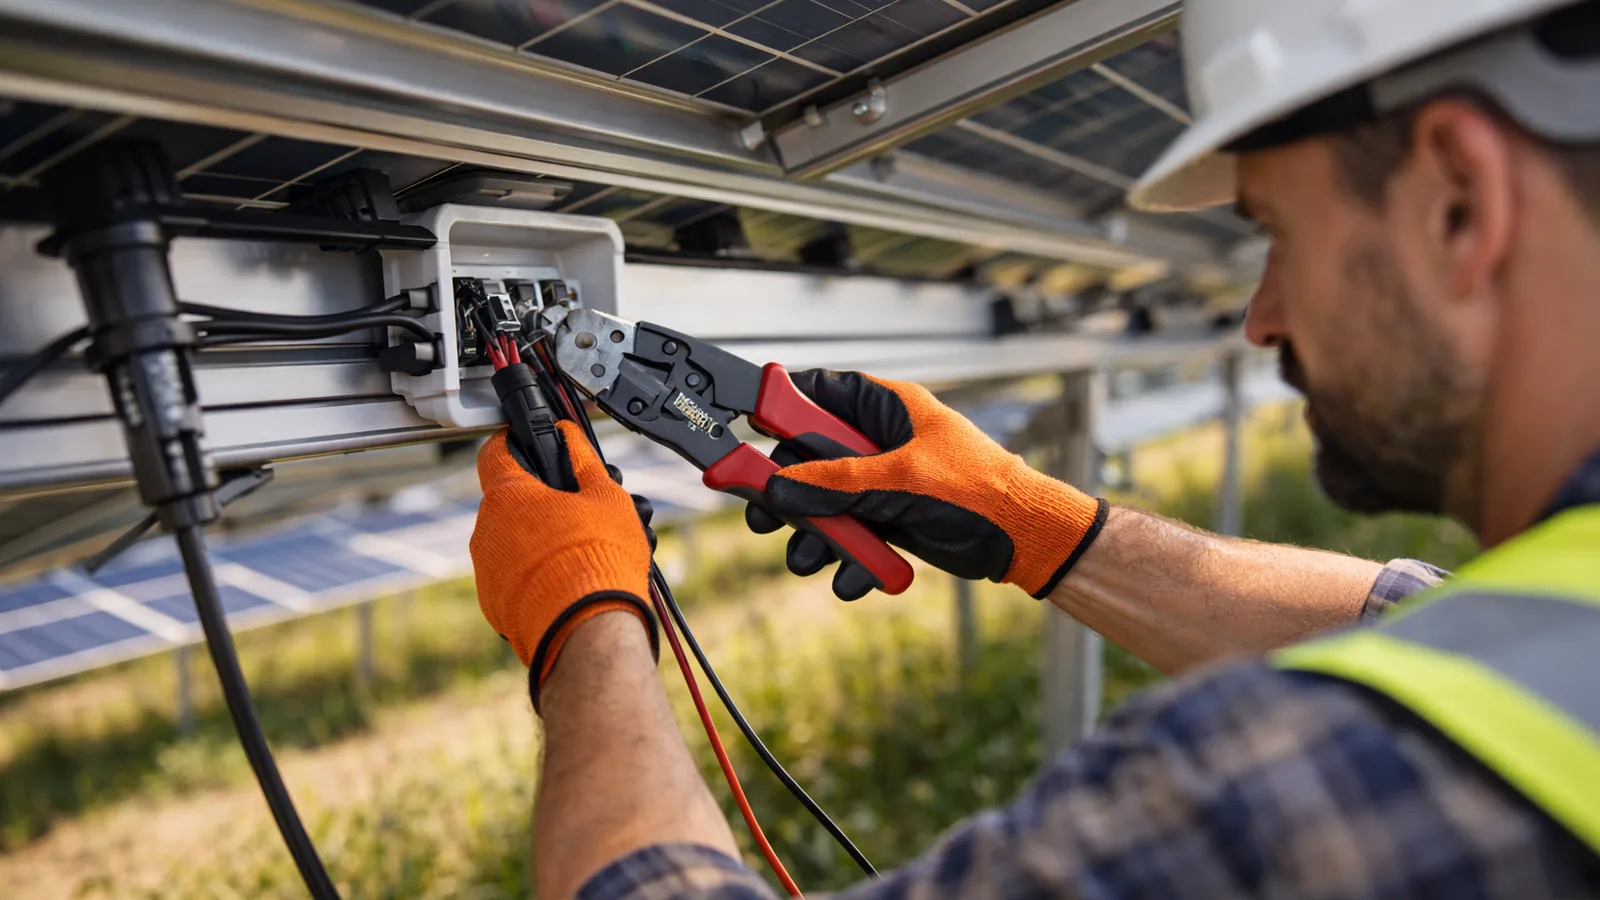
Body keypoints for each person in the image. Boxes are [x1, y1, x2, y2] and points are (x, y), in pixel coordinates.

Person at [468, 0, 1600, 895]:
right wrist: (1036, 521)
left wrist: (582, 615)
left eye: (1277, 231)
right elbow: (1440, 623)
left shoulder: (1290, 787)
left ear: (1459, 202)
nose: (1259, 318)